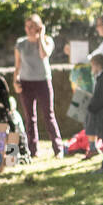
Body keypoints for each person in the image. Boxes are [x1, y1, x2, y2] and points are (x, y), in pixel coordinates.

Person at [14, 14, 64, 159]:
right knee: (30, 118)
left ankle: (58, 148)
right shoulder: (20, 44)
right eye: (27, 26)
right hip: (25, 82)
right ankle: (33, 151)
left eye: (33, 26)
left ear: (39, 26)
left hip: (43, 81)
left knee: (49, 115)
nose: (29, 29)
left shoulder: (48, 40)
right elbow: (17, 66)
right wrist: (15, 81)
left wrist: (41, 36)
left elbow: (44, 54)